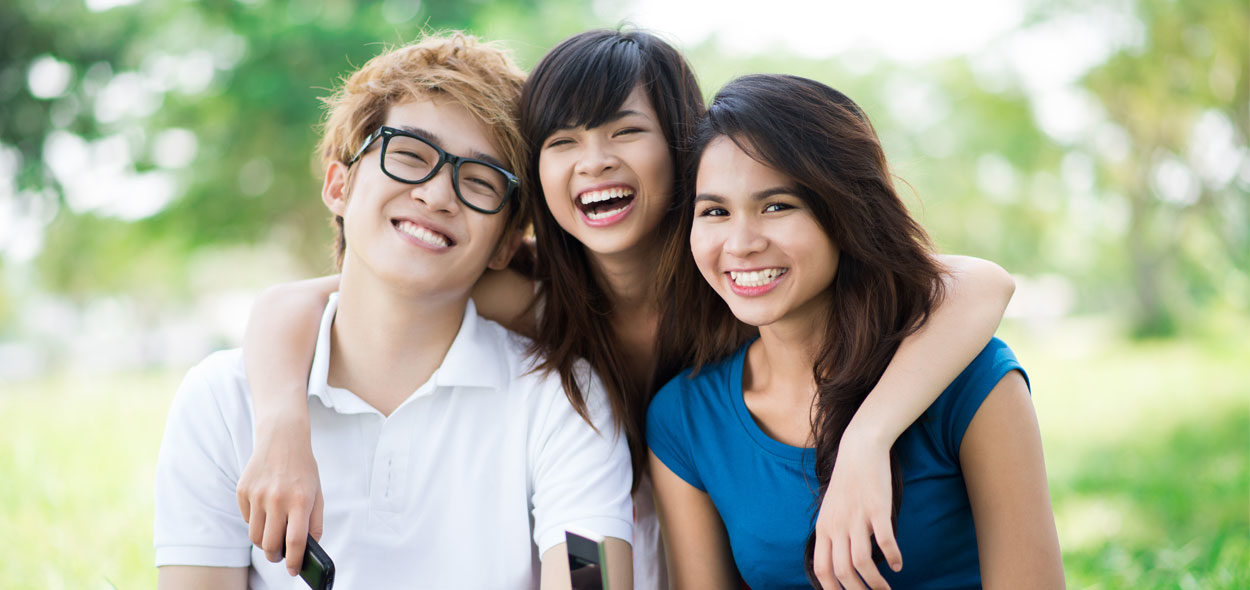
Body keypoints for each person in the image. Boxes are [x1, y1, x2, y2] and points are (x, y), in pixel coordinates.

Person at [235, 30, 1018, 588]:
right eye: (563, 140)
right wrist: (281, 427)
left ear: (684, 149)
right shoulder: (528, 289)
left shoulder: (739, 268)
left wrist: (867, 438)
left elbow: (978, 285)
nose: (594, 160)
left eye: (625, 131)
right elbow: (298, 301)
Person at [153, 32, 634, 589]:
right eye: (409, 155)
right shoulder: (223, 400)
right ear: (339, 184)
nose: (436, 194)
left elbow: (588, 572)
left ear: (506, 244)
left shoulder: (563, 398)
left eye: (480, 182)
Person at [646, 73, 1065, 589]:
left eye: (777, 206)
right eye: (714, 211)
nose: (741, 242)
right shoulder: (686, 419)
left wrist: (865, 441)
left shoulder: (970, 379)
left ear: (844, 214)